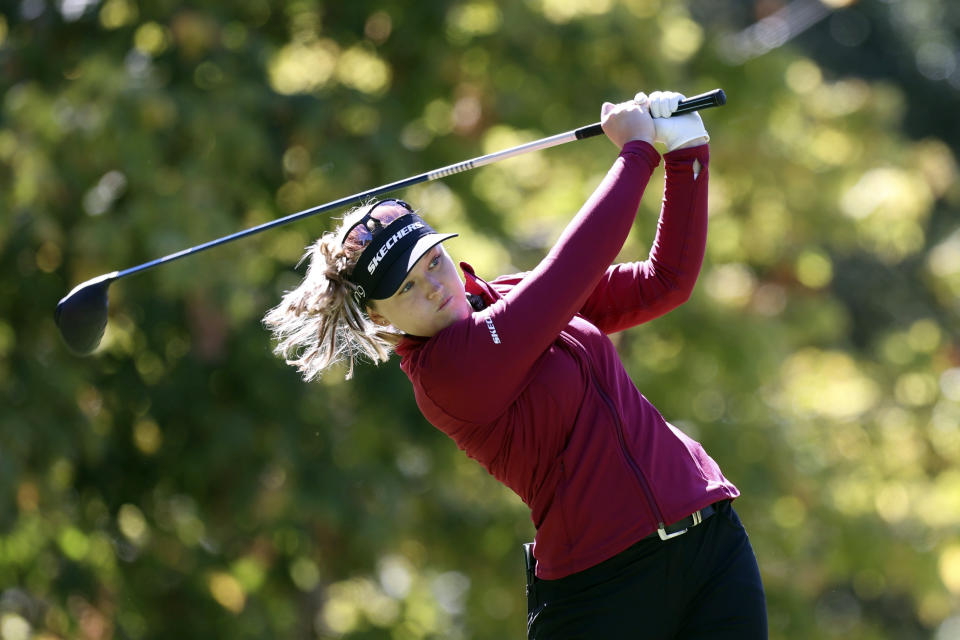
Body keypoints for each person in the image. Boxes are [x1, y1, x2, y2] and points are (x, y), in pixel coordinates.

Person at [263, 91, 768, 639]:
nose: (434, 287)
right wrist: (637, 152)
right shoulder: (446, 375)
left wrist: (687, 154)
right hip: (604, 591)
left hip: (709, 539)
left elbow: (662, 283)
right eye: (407, 288)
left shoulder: (509, 297)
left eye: (434, 262)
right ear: (381, 321)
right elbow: (569, 272)